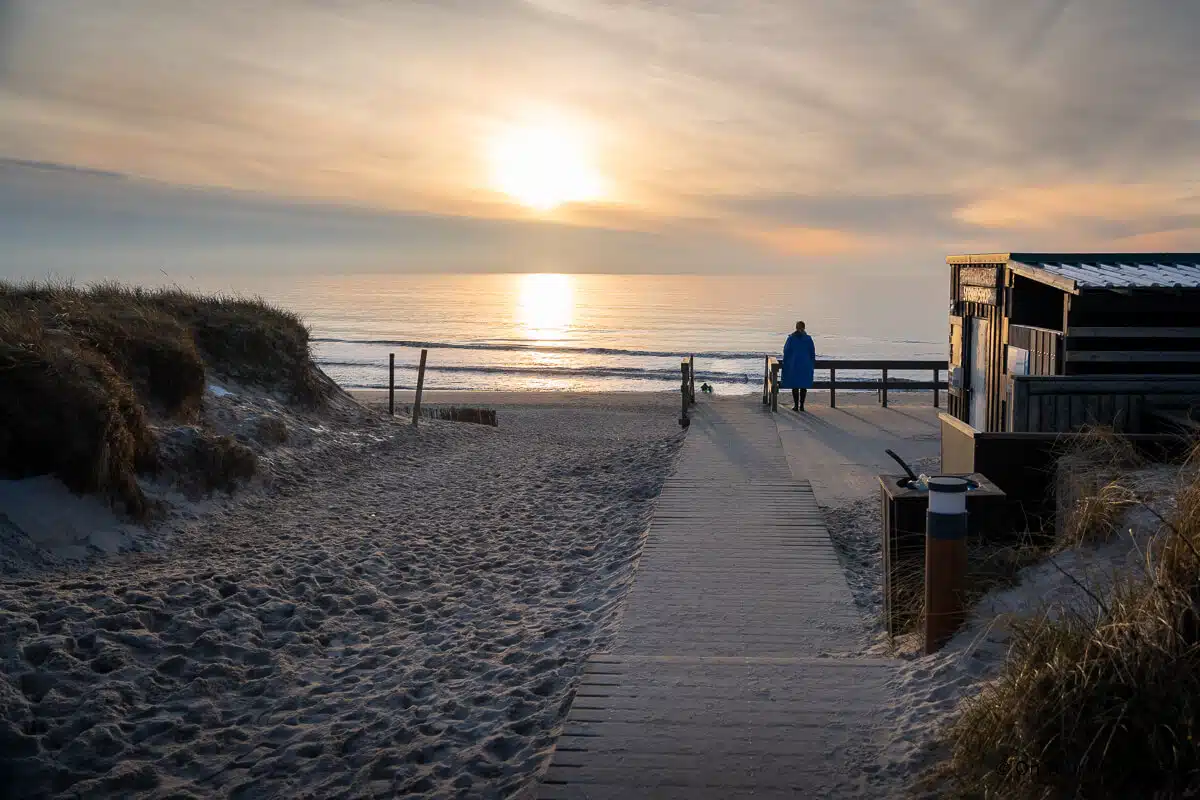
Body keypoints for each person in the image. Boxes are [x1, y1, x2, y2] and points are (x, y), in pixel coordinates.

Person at [781, 320, 816, 412]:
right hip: (805, 364)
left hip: (794, 364)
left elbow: (786, 351)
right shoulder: (808, 339)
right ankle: (802, 406)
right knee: (803, 385)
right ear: (804, 328)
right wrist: (812, 363)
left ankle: (796, 405)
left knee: (795, 385)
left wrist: (785, 362)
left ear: (796, 328)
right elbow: (812, 352)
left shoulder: (791, 338)